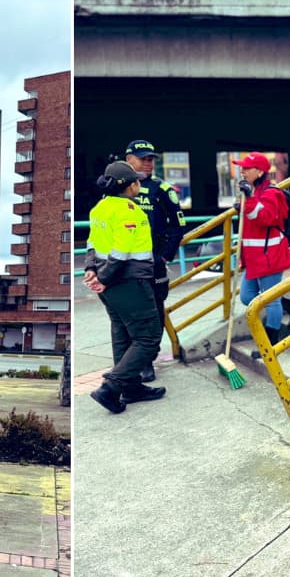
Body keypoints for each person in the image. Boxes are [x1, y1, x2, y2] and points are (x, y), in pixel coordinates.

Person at [83, 160, 166, 414]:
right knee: (148, 337)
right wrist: (104, 277)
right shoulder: (129, 211)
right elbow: (121, 252)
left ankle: (130, 388)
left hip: (110, 285)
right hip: (129, 282)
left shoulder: (100, 208)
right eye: (135, 180)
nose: (139, 183)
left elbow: (92, 243)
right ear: (127, 186)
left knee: (122, 333)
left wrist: (92, 270)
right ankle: (111, 387)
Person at [231, 152, 290, 357]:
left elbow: (265, 218)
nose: (243, 171)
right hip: (254, 258)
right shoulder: (252, 191)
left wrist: (250, 200)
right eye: (242, 168)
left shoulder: (273, 193)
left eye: (247, 168)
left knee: (271, 301)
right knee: (248, 297)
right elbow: (250, 227)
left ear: (260, 171)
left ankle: (269, 346)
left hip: (270, 256)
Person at [124, 139, 186, 381]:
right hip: (124, 264)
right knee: (129, 313)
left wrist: (164, 257)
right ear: (129, 159)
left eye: (151, 159)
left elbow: (178, 226)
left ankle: (147, 359)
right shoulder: (117, 189)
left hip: (154, 264)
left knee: (154, 312)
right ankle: (129, 360)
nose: (148, 163)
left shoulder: (163, 189)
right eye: (143, 158)